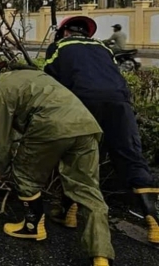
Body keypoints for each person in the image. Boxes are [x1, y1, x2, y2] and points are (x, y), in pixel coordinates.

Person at [0, 58, 114, 266]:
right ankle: (101, 256)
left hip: (51, 126)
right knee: (88, 189)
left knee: (24, 174)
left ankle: (32, 226)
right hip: (86, 125)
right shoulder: (30, 74)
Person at [44, 16, 158, 244]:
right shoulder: (103, 48)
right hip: (119, 102)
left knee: (78, 156)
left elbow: (51, 83)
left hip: (83, 102)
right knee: (131, 156)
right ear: (87, 33)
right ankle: (154, 221)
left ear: (65, 32)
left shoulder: (58, 47)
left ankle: (69, 213)